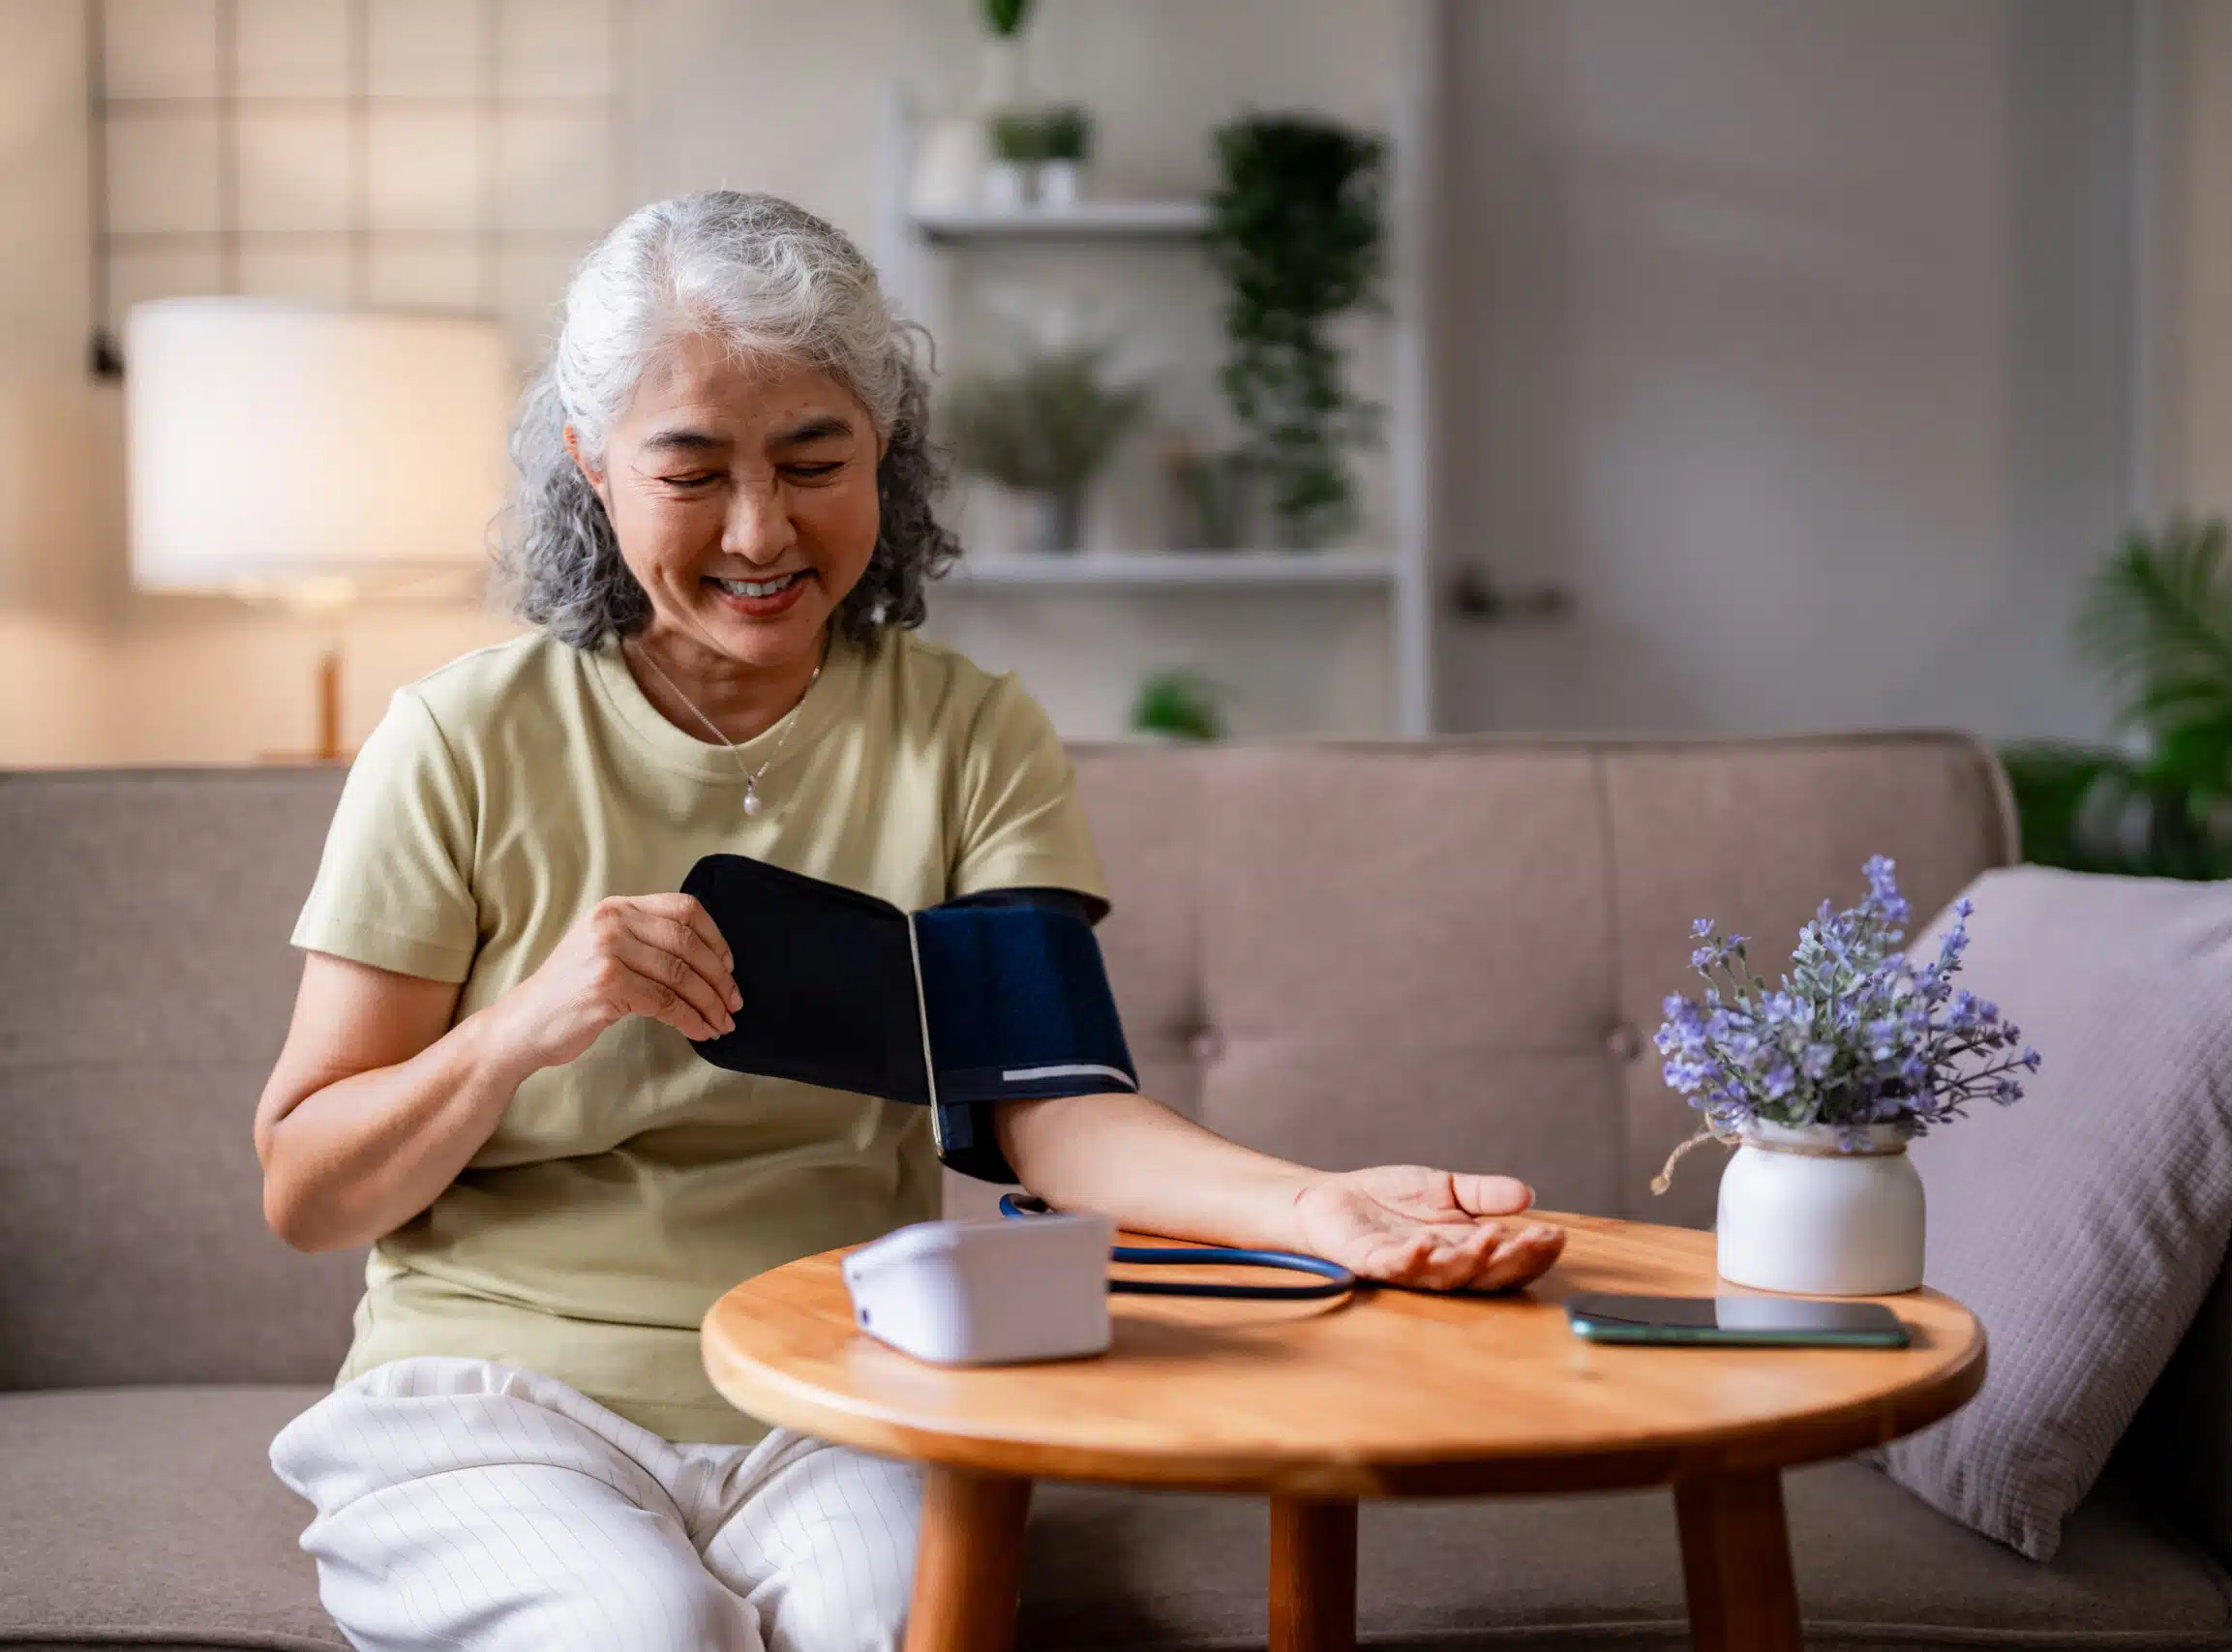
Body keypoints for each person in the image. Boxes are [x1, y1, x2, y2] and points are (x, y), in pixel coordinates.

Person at [254, 190, 1566, 1652]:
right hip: (495, 1396)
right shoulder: (458, 741)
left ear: (886, 450)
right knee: (642, 1631)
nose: (763, 530)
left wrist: (1315, 1209)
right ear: (590, 465)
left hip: (838, 1382)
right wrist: (519, 1029)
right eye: (691, 472)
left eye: (815, 460)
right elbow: (307, 1188)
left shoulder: (970, 737)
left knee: (888, 1622)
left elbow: (1050, 1113)